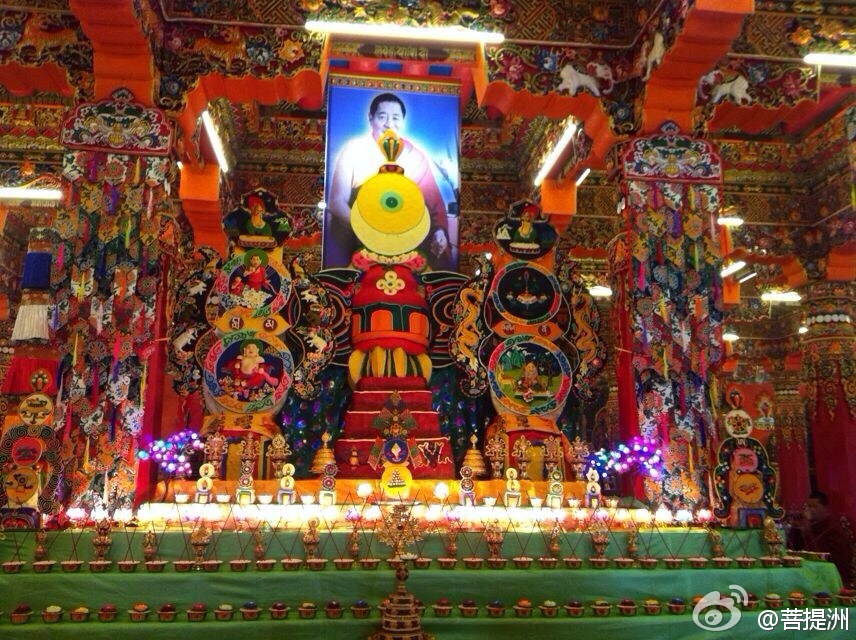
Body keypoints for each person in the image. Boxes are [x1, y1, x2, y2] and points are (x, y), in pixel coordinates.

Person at [326, 92, 450, 268]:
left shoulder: (414, 156)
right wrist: (368, 231)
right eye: (382, 117)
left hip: (406, 237)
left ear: (403, 121)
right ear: (370, 118)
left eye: (395, 118)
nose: (389, 124)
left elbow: (434, 204)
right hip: (361, 236)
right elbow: (337, 202)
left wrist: (439, 231)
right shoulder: (353, 151)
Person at [790, 491, 854, 587]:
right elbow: (795, 551)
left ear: (825, 508)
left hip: (834, 577)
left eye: (814, 506)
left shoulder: (834, 529)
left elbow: (831, 559)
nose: (810, 510)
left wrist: (807, 532)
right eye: (808, 506)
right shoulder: (809, 526)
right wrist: (795, 530)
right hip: (809, 573)